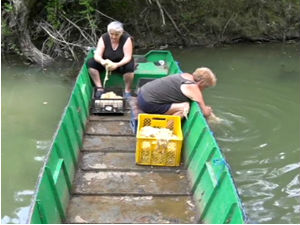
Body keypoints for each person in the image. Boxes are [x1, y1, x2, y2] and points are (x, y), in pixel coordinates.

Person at [137, 67, 217, 118]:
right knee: (185, 106)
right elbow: (205, 113)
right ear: (201, 83)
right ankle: (168, 127)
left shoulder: (185, 75)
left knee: (183, 103)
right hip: (147, 103)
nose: (204, 89)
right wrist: (209, 112)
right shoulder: (193, 87)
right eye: (206, 87)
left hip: (141, 93)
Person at [87, 21, 134, 99]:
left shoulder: (126, 38)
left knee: (130, 67)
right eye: (111, 34)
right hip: (106, 63)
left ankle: (127, 91)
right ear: (108, 32)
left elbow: (127, 57)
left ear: (121, 33)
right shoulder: (104, 38)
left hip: (120, 63)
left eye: (117, 34)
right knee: (91, 63)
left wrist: (117, 65)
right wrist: (102, 61)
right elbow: (97, 55)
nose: (114, 37)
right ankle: (99, 88)